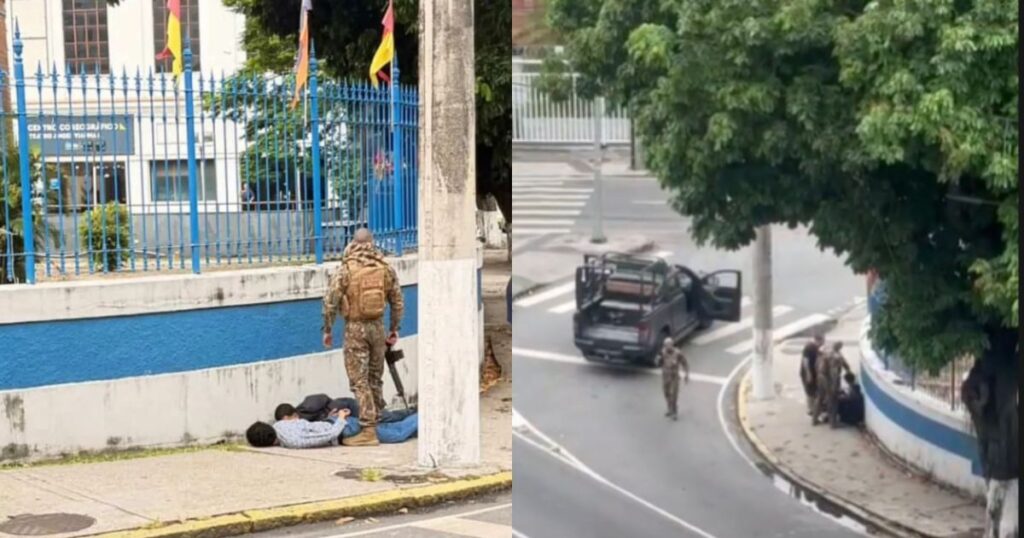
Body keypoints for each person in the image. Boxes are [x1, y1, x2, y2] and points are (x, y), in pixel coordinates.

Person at [322, 228, 404, 447]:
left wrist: (327, 329)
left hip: (355, 329)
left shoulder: (345, 269)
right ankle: (378, 418)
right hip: (378, 327)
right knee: (375, 378)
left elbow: (330, 301)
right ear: (372, 242)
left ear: (352, 243)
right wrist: (394, 328)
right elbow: (397, 301)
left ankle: (368, 430)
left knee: (359, 381)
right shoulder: (385, 268)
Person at [246, 404, 418, 448]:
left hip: (345, 429)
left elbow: (327, 436)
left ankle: (428, 414)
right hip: (336, 423)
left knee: (397, 433)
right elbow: (310, 426)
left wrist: (340, 419)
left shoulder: (292, 440)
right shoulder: (280, 424)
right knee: (391, 426)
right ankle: (418, 416)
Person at [813, 341, 852, 428]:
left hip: (820, 376)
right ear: (839, 347)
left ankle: (814, 419)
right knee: (833, 400)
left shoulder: (826, 351)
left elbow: (816, 364)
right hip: (828, 378)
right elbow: (834, 372)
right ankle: (832, 423)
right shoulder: (835, 357)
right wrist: (834, 385)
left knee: (819, 397)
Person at [660, 336, 689, 420]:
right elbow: (660, 362)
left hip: (674, 377)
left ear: (672, 345)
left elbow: (685, 363)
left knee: (674, 395)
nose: (667, 347)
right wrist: (658, 360)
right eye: (666, 345)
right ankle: (669, 408)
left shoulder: (678, 353)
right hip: (665, 376)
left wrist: (686, 374)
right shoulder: (663, 352)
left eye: (669, 345)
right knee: (666, 393)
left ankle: (674, 411)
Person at [800, 335, 824, 415]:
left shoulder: (816, 348)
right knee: (810, 391)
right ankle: (810, 409)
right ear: (818, 340)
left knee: (814, 390)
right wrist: (808, 373)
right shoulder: (809, 348)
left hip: (813, 372)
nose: (823, 344)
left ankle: (814, 408)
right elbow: (805, 361)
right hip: (808, 372)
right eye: (822, 341)